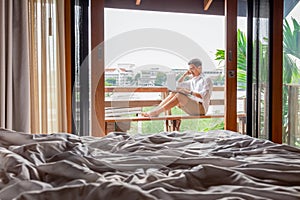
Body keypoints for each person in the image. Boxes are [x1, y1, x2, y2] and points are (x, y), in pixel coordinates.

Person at [141, 58, 213, 117]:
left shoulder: (206, 79)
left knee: (180, 96)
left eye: (192, 69)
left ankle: (156, 112)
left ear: (199, 68)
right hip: (192, 107)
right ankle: (155, 111)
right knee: (174, 92)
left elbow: (202, 96)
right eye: (190, 69)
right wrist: (184, 75)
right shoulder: (193, 80)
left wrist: (188, 92)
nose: (191, 71)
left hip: (201, 109)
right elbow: (178, 85)